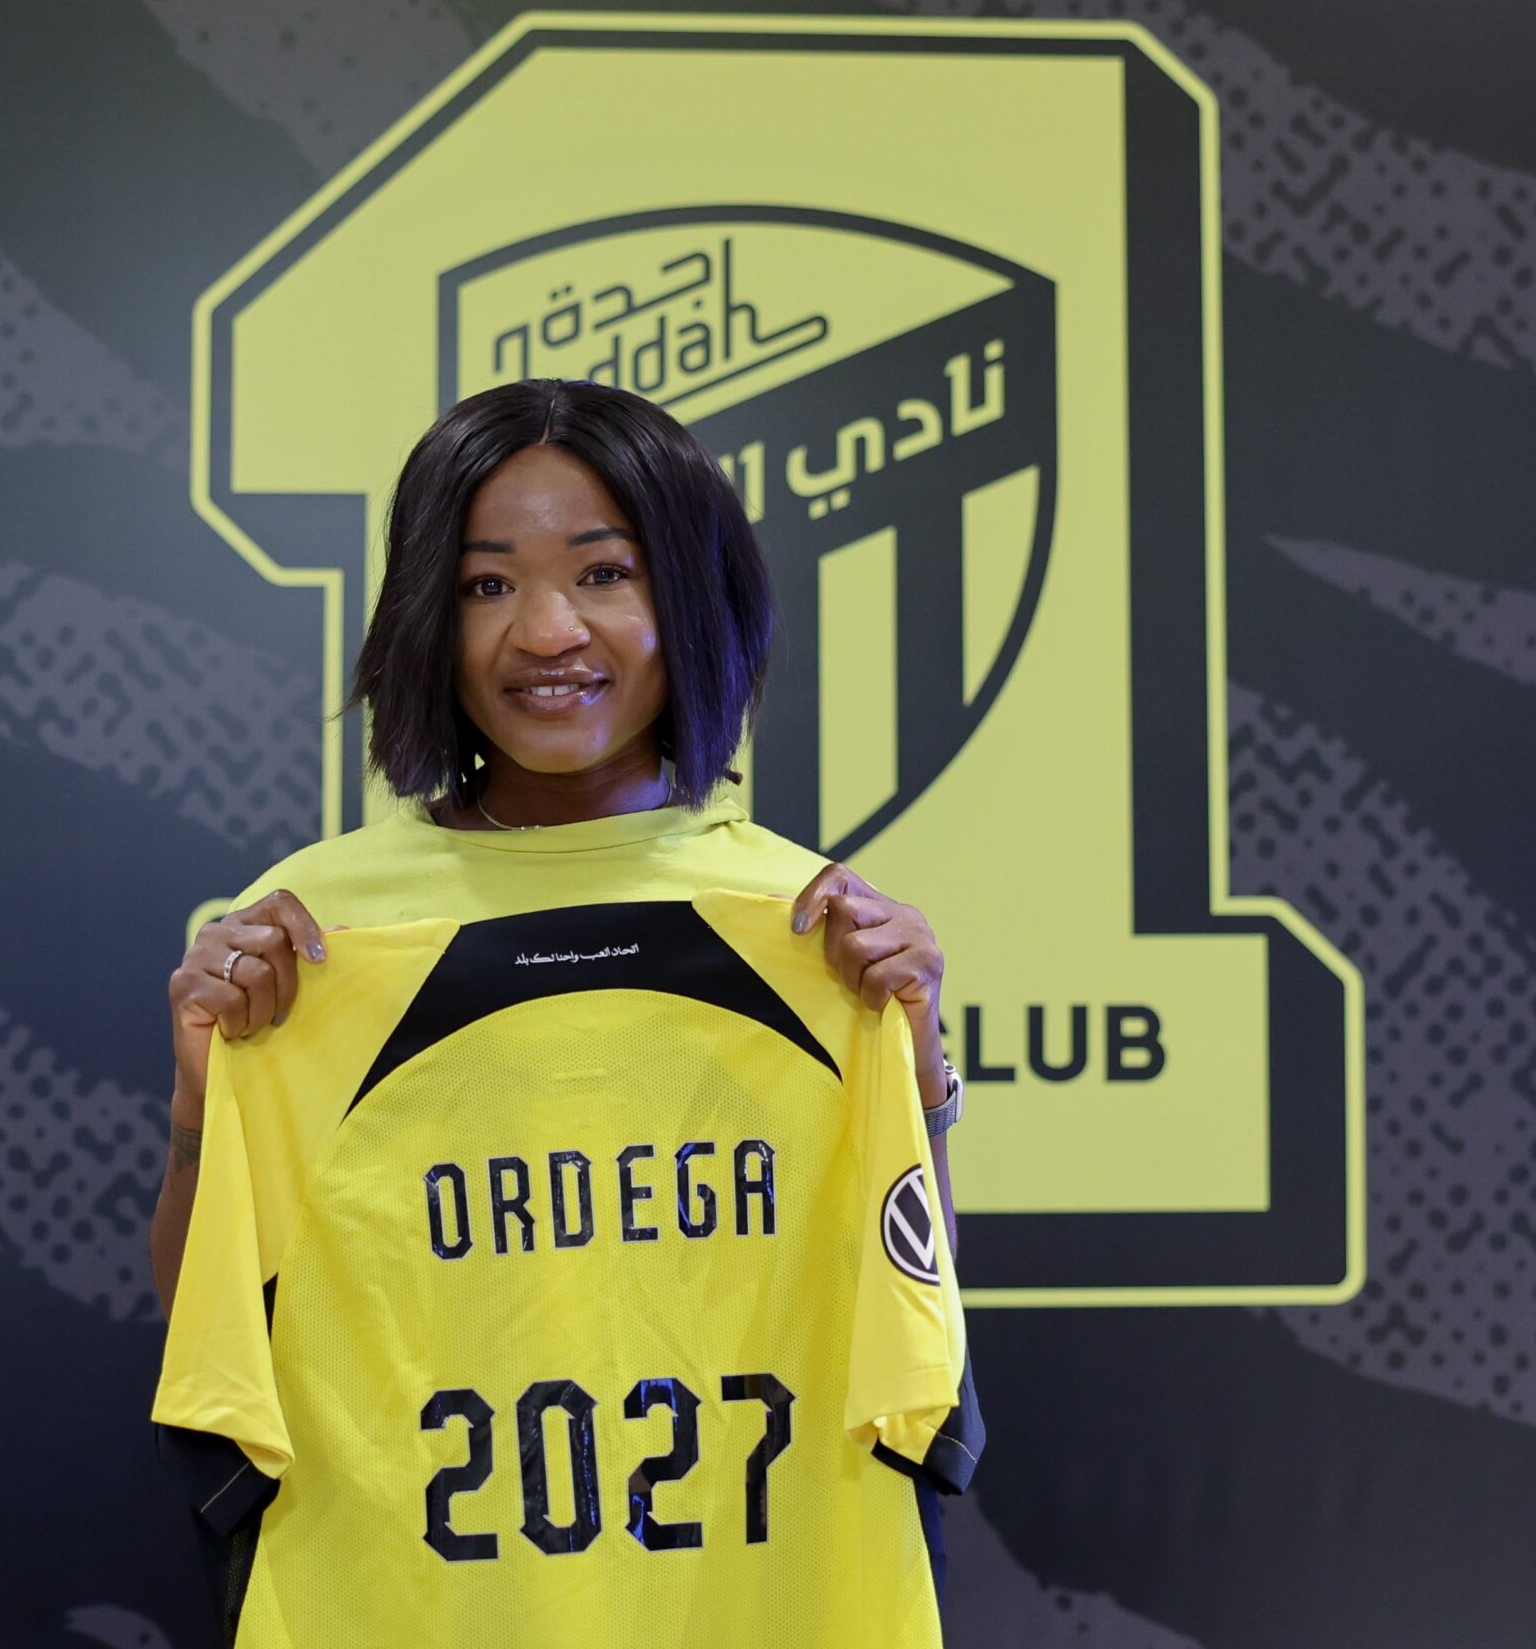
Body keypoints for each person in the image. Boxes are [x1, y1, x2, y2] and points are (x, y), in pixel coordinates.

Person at [147, 378, 971, 1636]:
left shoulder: (811, 927)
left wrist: (912, 1073)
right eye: (485, 584)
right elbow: (212, 1346)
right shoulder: (314, 934)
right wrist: (205, 1103)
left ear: (689, 595)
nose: (544, 631)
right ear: (426, 618)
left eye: (603, 573)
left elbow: (915, 1328)